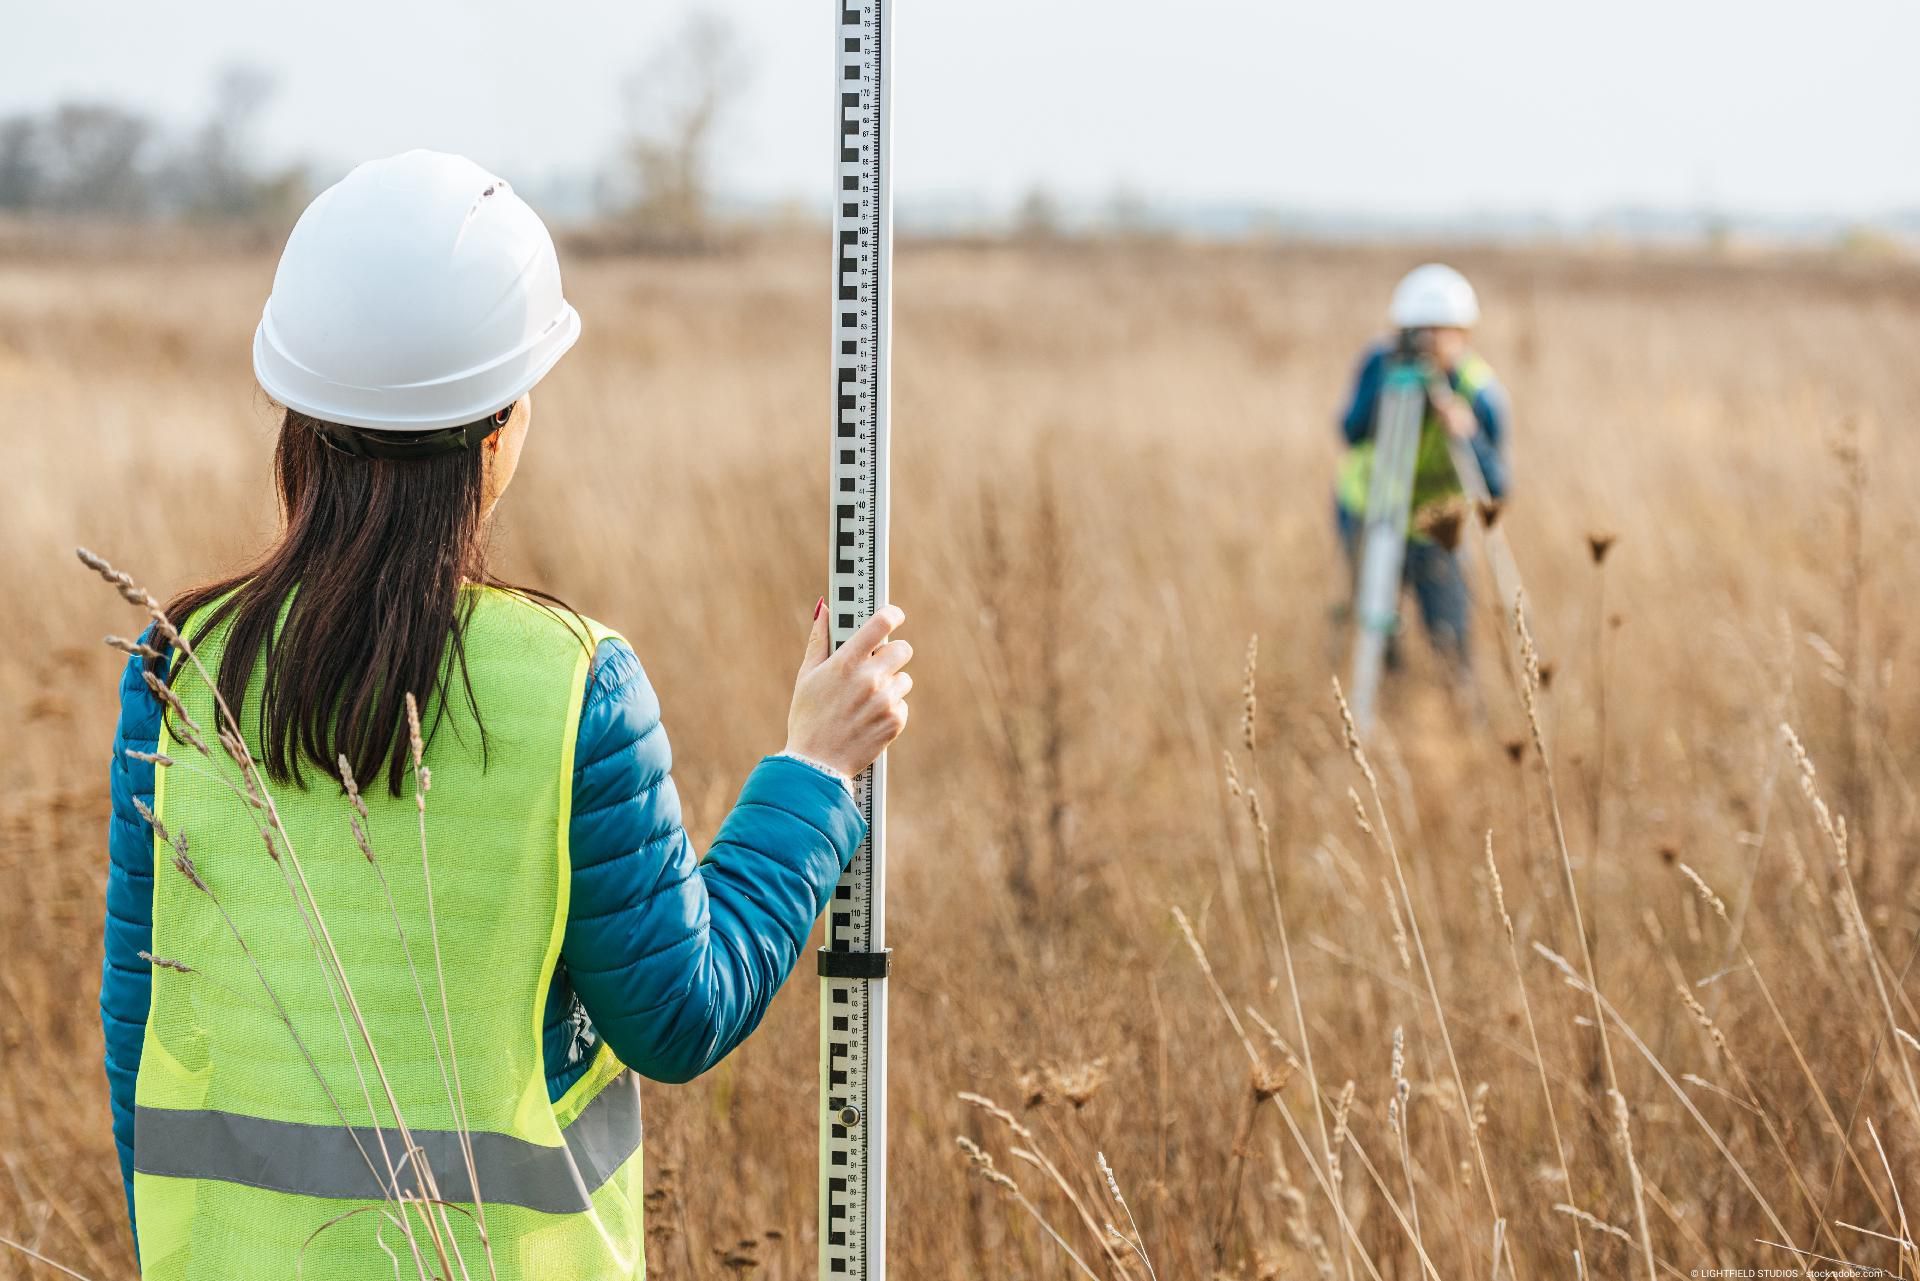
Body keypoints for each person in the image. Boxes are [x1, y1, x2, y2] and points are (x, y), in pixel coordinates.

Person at [98, 151, 913, 1280]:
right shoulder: (571, 686)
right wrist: (814, 777)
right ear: (497, 431)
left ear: (295, 415)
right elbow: (678, 1015)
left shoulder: (176, 672)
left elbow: (140, 1043)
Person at [1333, 263, 1512, 668]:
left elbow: (1498, 486)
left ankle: (1459, 712)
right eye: (1420, 330)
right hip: (1371, 515)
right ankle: (1381, 707)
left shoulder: (1479, 392)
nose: (1429, 342)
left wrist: (1466, 432)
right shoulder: (1380, 365)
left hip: (1438, 529)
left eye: (1442, 330)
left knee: (1450, 639)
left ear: (1464, 334)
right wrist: (1387, 391)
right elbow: (1349, 429)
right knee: (1377, 630)